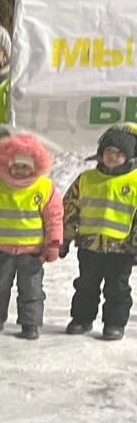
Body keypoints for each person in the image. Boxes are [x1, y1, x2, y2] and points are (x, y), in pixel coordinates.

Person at [0, 132, 62, 340]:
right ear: (6, 164)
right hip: (1, 249)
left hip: (32, 252)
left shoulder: (44, 188)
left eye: (25, 166)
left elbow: (54, 218)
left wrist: (54, 243)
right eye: (16, 165)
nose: (20, 170)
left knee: (31, 290)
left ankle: (30, 324)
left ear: (35, 166)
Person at [62, 125, 137, 340]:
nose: (112, 157)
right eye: (108, 152)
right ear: (101, 154)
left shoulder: (134, 181)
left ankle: (114, 324)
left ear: (130, 155)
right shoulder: (86, 179)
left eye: (119, 153)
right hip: (89, 246)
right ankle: (82, 319)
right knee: (86, 285)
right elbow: (69, 210)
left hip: (121, 249)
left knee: (118, 289)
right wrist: (65, 238)